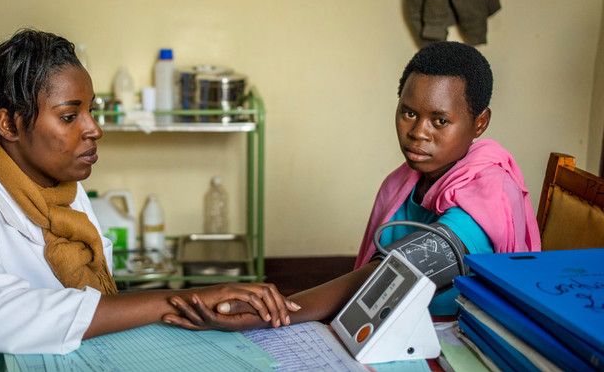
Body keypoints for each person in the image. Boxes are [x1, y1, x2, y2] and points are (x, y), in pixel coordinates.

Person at [0, 29, 298, 354]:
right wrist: (173, 300)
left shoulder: (63, 191)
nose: (94, 129)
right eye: (69, 116)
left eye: (91, 112)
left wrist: (198, 305)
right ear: (9, 125)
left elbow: (90, 305)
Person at [164, 41, 541, 330]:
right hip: (396, 326)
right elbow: (380, 269)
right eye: (409, 112)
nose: (417, 133)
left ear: (479, 123)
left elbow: (397, 273)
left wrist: (273, 313)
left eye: (439, 121)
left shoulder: (489, 192)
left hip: (452, 337)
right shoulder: (405, 181)